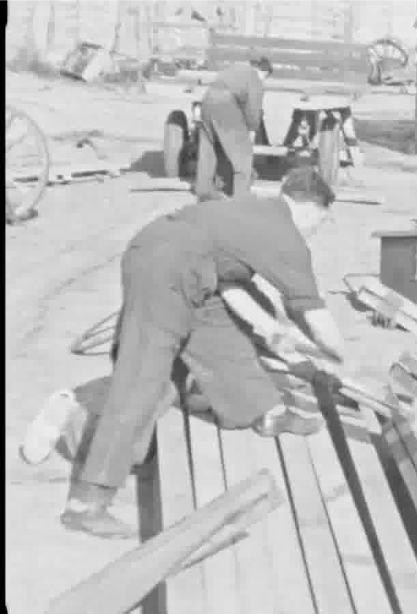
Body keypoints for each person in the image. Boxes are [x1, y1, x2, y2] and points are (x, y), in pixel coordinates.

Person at [21, 167, 348, 539]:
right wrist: (340, 356)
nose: (316, 230)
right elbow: (313, 314)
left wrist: (269, 328)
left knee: (223, 339)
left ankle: (265, 410)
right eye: (321, 222)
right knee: (144, 381)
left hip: (187, 270)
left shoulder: (249, 211)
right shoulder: (285, 234)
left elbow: (228, 288)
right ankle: (86, 502)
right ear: (311, 208)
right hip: (165, 273)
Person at [194, 57, 273, 200]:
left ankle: (203, 190)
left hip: (207, 101)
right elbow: (253, 111)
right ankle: (241, 196)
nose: (264, 80)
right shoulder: (255, 78)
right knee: (243, 154)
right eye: (265, 77)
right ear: (264, 72)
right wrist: (252, 129)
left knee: (208, 150)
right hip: (225, 105)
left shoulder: (235, 67)